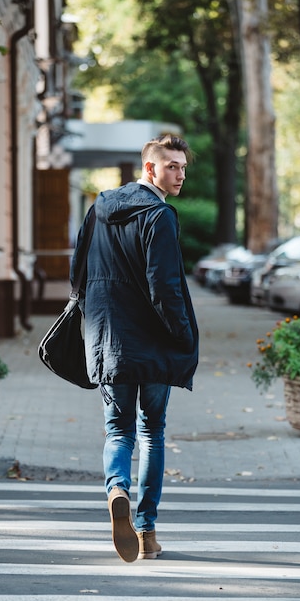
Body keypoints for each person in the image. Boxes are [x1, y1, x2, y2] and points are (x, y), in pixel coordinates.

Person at [70, 134, 199, 563]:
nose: (179, 174)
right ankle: (145, 531)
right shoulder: (159, 215)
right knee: (151, 432)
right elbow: (165, 287)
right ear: (149, 168)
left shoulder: (100, 207)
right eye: (172, 166)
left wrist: (98, 320)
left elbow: (78, 271)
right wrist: (182, 335)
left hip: (109, 340)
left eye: (182, 166)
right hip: (154, 345)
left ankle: (116, 489)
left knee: (117, 431)